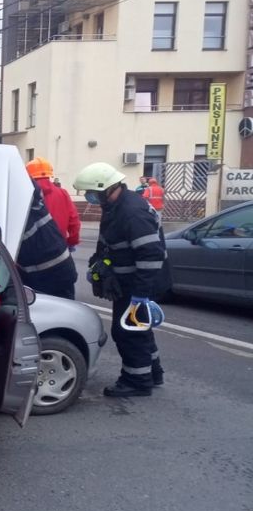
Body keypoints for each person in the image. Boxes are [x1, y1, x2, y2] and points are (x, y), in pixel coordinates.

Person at [73, 162, 171, 398]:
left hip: (139, 283)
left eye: (92, 194)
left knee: (127, 332)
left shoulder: (131, 211)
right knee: (140, 329)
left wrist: (140, 294)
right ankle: (152, 373)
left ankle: (136, 381)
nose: (89, 198)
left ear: (106, 189)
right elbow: (109, 241)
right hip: (132, 282)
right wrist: (98, 262)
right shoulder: (116, 205)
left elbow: (150, 255)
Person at [17, 178, 78, 300]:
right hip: (62, 260)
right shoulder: (58, 193)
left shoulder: (19, 207)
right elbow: (74, 219)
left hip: (42, 275)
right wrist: (71, 241)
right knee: (67, 309)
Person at [26, 157, 81, 250]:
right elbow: (74, 220)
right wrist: (72, 241)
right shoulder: (63, 193)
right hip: (59, 248)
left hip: (31, 250)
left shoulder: (26, 194)